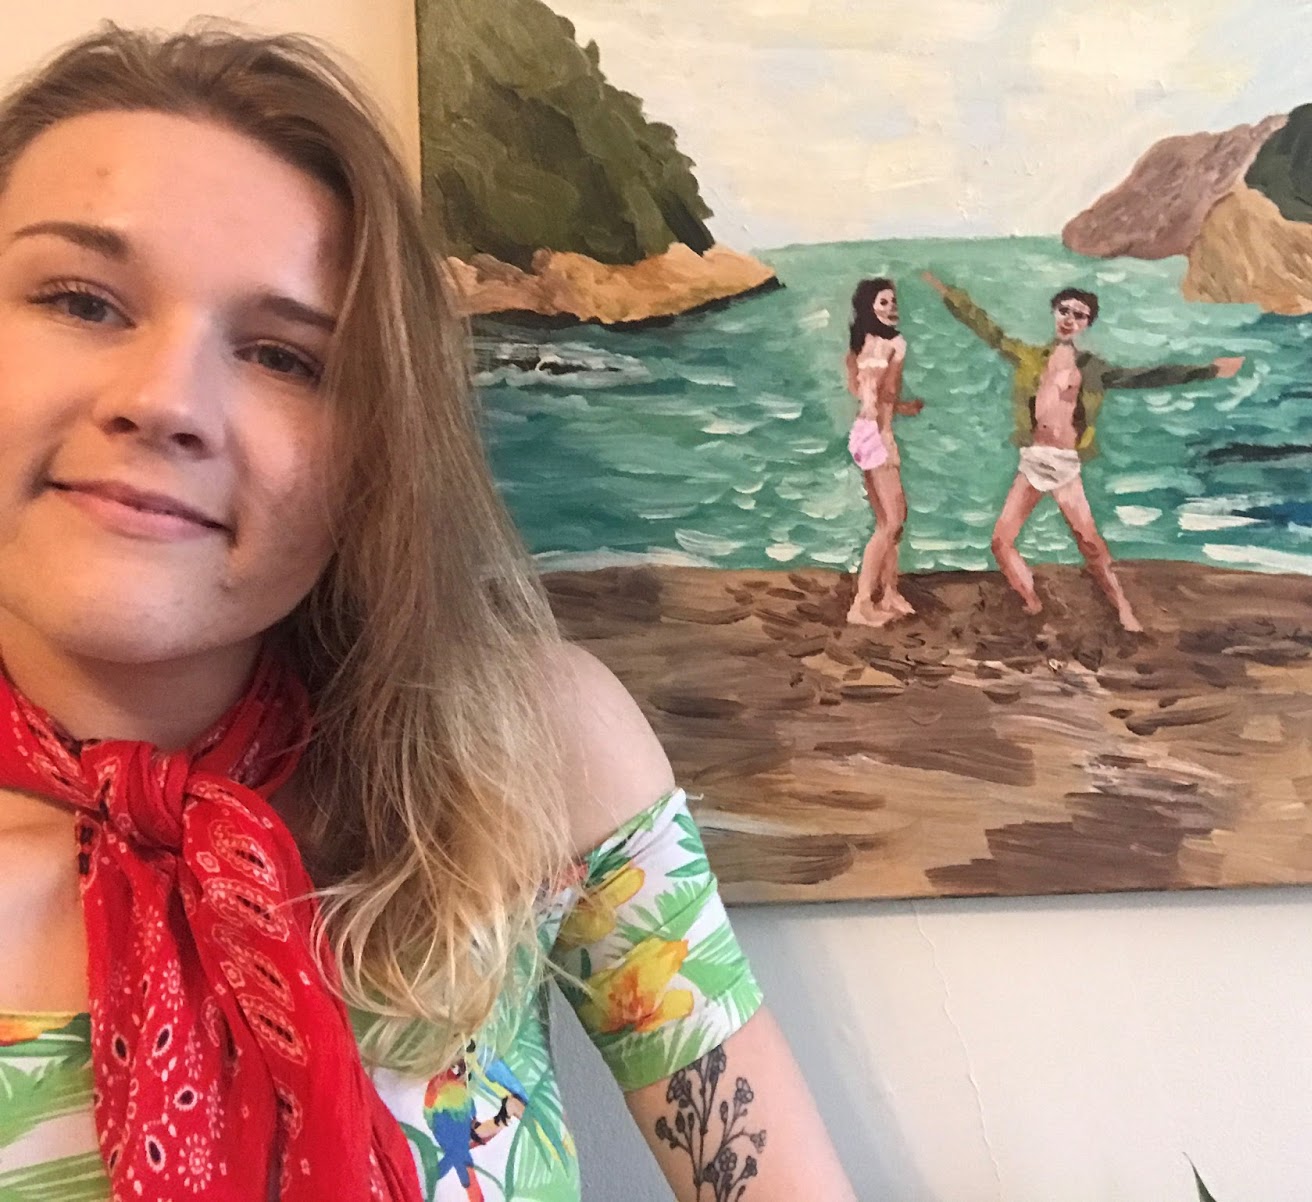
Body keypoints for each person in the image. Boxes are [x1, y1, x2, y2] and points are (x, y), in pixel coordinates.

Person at [0, 25, 857, 1202]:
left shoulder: (527, 753)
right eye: (83, 301)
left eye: (285, 356)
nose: (164, 401)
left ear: (375, 446)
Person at [922, 271, 1243, 633]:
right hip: (1034, 460)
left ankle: (1123, 608)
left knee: (1090, 544)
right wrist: (946, 291)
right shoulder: (1029, 357)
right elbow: (988, 330)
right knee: (1000, 542)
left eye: (1079, 315)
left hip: (1064, 465)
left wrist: (1210, 370)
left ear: (1087, 323)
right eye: (1064, 310)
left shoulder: (1092, 369)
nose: (1069, 319)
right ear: (1054, 312)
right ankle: (1031, 601)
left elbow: (1148, 376)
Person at [843, 277, 923, 626]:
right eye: (884, 302)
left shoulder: (859, 345)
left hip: (861, 432)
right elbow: (889, 393)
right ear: (870, 307)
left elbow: (858, 389)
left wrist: (892, 407)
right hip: (878, 435)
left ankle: (889, 591)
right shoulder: (896, 345)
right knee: (893, 522)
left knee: (887, 520)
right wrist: (904, 411)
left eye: (893, 302)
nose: (892, 308)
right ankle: (862, 602)